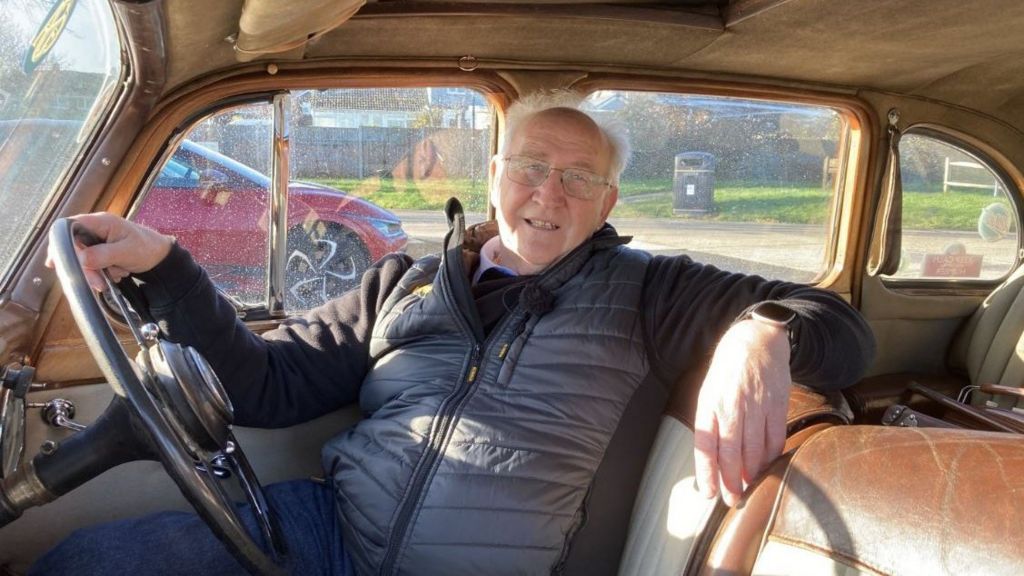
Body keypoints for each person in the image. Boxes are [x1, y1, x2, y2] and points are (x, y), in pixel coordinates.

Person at [35, 92, 874, 576]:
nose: (551, 193)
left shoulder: (652, 290)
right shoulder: (405, 279)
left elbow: (841, 329)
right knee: (80, 564)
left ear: (610, 202)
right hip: (327, 535)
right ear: (496, 176)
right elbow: (267, 384)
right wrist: (168, 267)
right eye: (532, 168)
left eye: (581, 178)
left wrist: (762, 333)